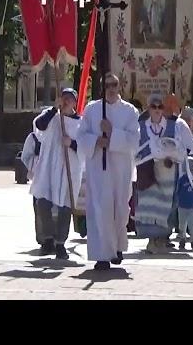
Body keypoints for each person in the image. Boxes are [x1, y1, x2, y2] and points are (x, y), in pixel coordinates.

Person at [77, 73, 140, 271]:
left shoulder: (130, 111)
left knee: (120, 210)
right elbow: (81, 135)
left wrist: (112, 133)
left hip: (120, 167)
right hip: (98, 167)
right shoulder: (92, 109)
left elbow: (133, 140)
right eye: (107, 86)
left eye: (114, 85)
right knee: (100, 209)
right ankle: (102, 254)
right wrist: (97, 141)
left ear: (119, 86)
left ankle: (118, 246)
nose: (111, 89)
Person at [31, 88, 84, 260]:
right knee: (43, 202)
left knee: (65, 206)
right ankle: (47, 239)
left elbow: (86, 146)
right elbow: (39, 126)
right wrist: (55, 109)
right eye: (64, 98)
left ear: (75, 102)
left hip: (69, 167)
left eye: (70, 99)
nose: (67, 101)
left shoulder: (81, 122)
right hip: (49, 165)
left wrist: (72, 143)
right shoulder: (52, 116)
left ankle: (60, 243)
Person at [134, 93, 192, 254]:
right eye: (154, 107)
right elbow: (134, 148)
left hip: (167, 171)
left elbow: (185, 147)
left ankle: (161, 239)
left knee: (166, 205)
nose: (158, 110)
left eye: (160, 107)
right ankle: (152, 240)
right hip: (147, 171)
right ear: (148, 109)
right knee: (148, 205)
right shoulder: (140, 126)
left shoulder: (174, 126)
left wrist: (173, 155)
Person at [21, 125, 43, 246]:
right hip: (39, 180)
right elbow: (25, 157)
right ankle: (43, 238)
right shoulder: (33, 137)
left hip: (57, 179)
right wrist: (36, 164)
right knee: (40, 209)